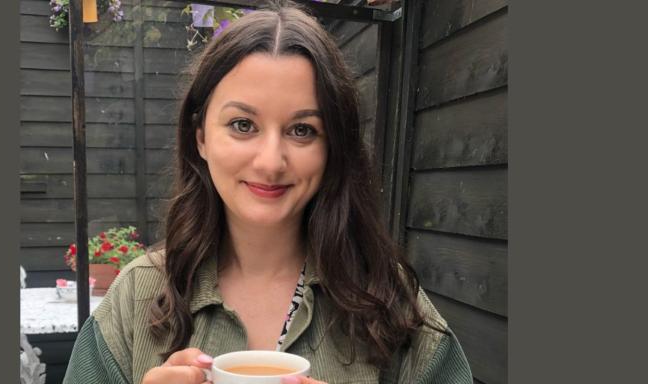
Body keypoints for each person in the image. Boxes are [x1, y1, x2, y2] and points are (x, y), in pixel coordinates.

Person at [63, 2, 472, 383]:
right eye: (243, 124)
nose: (271, 161)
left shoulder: (388, 296)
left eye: (302, 130)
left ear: (333, 148)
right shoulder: (137, 297)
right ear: (201, 137)